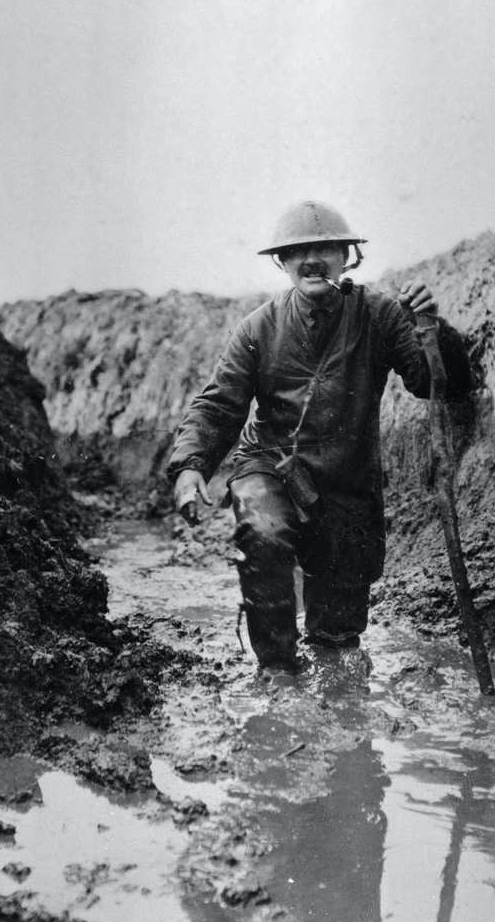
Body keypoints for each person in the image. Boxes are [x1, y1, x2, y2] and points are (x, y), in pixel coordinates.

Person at [167, 201, 471, 677]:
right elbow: (218, 405)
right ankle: (277, 671)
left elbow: (434, 384)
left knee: (337, 643)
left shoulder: (379, 314)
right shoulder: (257, 328)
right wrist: (190, 466)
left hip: (348, 483)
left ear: (347, 255)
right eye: (297, 250)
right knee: (263, 532)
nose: (312, 258)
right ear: (282, 262)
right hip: (271, 467)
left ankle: (329, 670)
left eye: (325, 247)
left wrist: (431, 329)